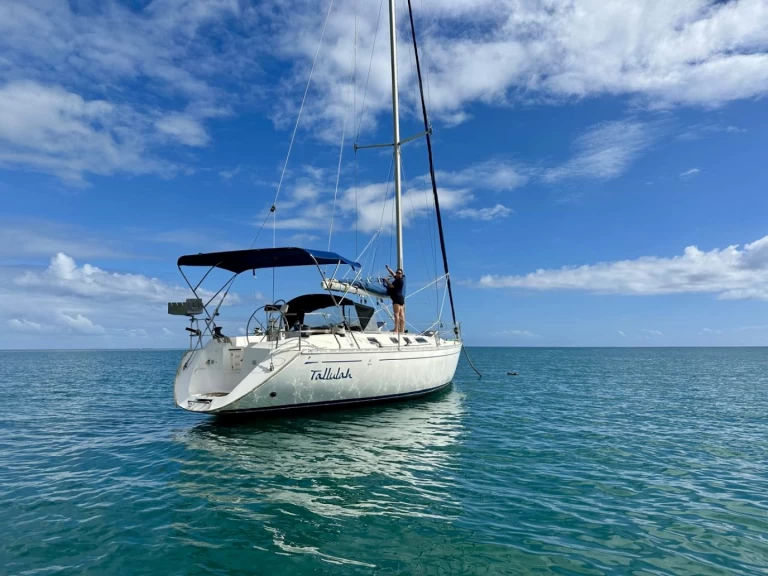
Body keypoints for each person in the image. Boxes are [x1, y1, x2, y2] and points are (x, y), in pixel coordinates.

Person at [384, 264, 406, 333]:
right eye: (397, 272)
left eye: (399, 273)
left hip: (396, 298)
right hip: (401, 298)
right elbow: (392, 273)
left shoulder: (399, 281)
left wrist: (386, 280)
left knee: (396, 314)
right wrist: (388, 268)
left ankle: (396, 329)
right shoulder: (397, 279)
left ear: (401, 274)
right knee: (401, 314)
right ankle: (402, 330)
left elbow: (391, 286)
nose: (397, 274)